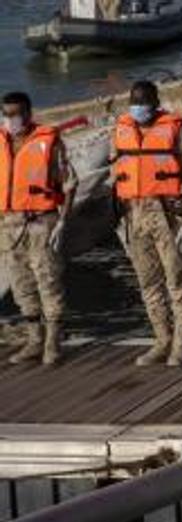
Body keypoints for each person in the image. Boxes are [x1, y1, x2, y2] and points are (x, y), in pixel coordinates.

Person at [111, 80, 182, 367]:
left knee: (177, 279)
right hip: (133, 213)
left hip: (166, 212)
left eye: (144, 101)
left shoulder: (175, 127)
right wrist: (116, 210)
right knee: (147, 281)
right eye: (134, 101)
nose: (139, 106)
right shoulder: (122, 128)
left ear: (155, 101)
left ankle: (181, 344)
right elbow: (116, 170)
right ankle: (161, 340)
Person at [0, 91, 75, 366]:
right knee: (21, 284)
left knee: (48, 280)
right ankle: (34, 340)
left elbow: (70, 183)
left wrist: (63, 220)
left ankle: (53, 342)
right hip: (9, 224)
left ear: (29, 114)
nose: (11, 120)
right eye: (6, 114)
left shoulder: (49, 142)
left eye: (16, 114)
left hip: (41, 222)